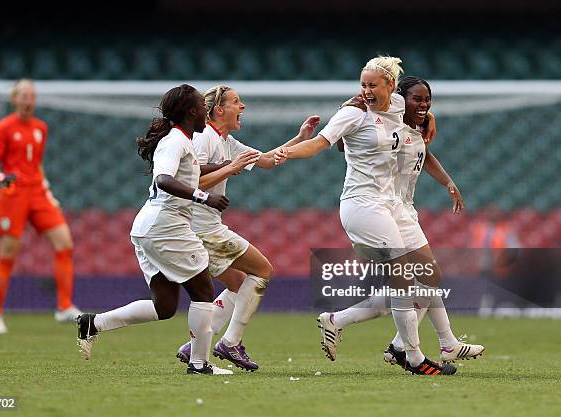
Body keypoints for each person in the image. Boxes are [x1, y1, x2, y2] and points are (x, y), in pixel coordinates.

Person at [274, 56, 456, 375]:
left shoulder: (398, 104)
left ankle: (339, 320)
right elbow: (319, 144)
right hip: (362, 204)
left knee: (430, 276)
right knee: (401, 279)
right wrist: (285, 152)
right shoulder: (353, 112)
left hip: (390, 204)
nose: (366, 90)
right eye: (362, 84)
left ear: (390, 86)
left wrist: (429, 119)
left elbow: (418, 110)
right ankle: (413, 357)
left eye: (372, 85)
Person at [327, 76, 485, 368]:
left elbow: (423, 155)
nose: (424, 105)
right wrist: (346, 108)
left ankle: (430, 344)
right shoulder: (384, 122)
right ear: (398, 99)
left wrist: (448, 181)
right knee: (412, 283)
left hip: (402, 210)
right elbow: (345, 142)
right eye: (417, 99)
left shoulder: (415, 125)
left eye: (428, 100)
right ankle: (413, 348)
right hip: (378, 211)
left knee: (426, 279)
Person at [76, 84, 233, 375]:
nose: (206, 111)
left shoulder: (183, 140)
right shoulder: (174, 141)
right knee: (203, 290)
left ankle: (92, 324)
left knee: (165, 306)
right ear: (191, 112)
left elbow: (195, 169)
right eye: (202, 106)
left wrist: (231, 165)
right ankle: (200, 364)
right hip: (166, 225)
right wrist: (204, 197)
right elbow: (163, 179)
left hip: (151, 227)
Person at [175, 85, 320, 371]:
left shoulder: (226, 141)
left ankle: (196, 345)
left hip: (202, 227)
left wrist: (300, 139)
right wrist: (229, 168)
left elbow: (266, 160)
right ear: (219, 110)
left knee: (239, 284)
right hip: (201, 228)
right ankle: (230, 343)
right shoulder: (204, 139)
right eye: (236, 102)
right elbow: (189, 183)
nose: (243, 108)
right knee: (263, 270)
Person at [0, 79, 81, 334]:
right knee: (7, 254)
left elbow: (36, 164)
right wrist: (0, 177)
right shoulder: (4, 127)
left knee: (65, 243)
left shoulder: (40, 128)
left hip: (37, 192)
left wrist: (47, 189)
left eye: (32, 96)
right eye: (24, 96)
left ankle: (63, 307)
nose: (28, 100)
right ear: (14, 99)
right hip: (13, 193)